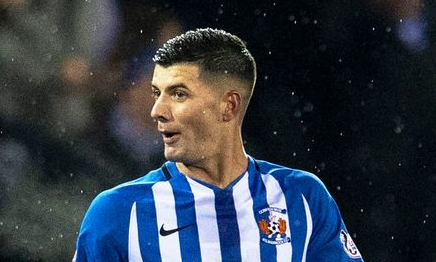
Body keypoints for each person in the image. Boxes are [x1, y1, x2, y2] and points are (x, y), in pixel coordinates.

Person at [74, 28, 363, 261]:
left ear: (229, 106)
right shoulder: (119, 212)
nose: (157, 110)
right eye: (155, 93)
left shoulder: (301, 198)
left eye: (178, 94)